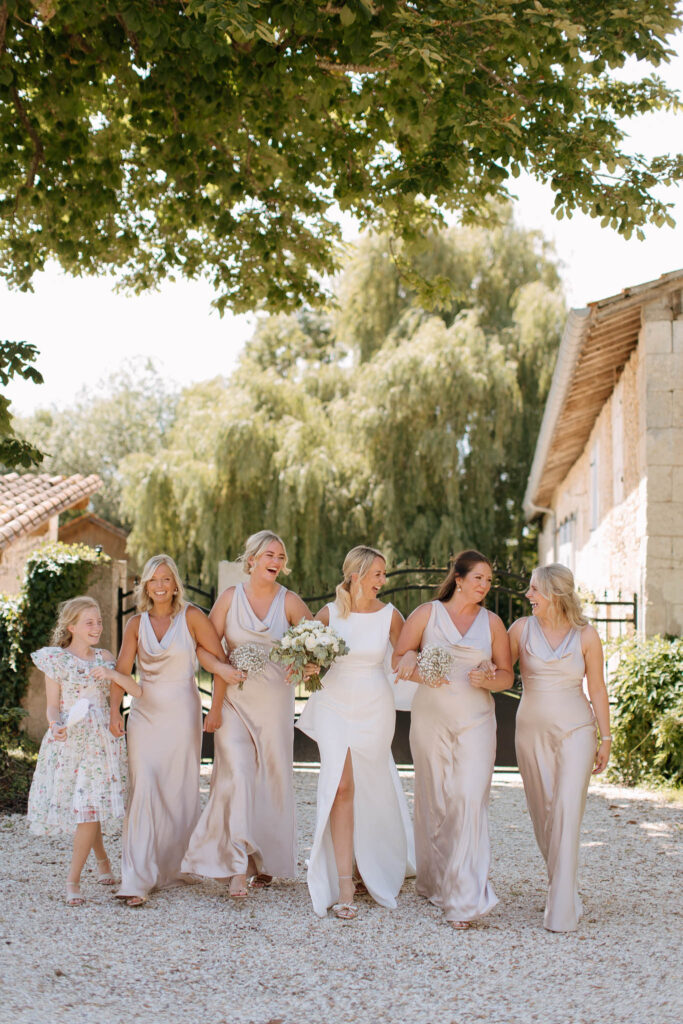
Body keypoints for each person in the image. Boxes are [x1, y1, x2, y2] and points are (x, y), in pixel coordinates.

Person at [181, 530, 313, 898]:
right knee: (237, 774)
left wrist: (306, 666)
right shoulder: (228, 599)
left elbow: (318, 646)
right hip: (234, 704)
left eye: (281, 557)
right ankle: (236, 864)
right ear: (252, 559)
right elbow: (205, 649)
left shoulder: (290, 602)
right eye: (270, 554)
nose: (276, 561)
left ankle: (265, 861)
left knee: (272, 778)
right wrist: (221, 671)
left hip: (274, 706)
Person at [394, 549, 513, 929]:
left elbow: (508, 676)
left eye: (489, 580)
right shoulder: (427, 614)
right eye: (478, 578)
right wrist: (417, 670)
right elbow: (400, 658)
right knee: (435, 797)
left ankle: (465, 894)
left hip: (477, 720)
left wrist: (488, 680)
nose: (485, 586)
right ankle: (436, 881)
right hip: (431, 718)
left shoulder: (492, 623)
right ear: (458, 579)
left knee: (469, 796)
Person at [296, 546, 416, 920]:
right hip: (334, 702)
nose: (383, 580)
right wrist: (307, 667)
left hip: (374, 704)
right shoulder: (329, 614)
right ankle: (345, 882)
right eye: (378, 573)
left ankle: (373, 861)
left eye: (384, 574)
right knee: (341, 786)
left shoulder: (391, 616)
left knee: (370, 785)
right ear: (356, 574)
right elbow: (309, 664)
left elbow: (405, 654)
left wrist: (410, 656)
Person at [108, 554, 225, 906]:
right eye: (153, 580)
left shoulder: (192, 617)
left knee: (178, 789)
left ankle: (174, 864)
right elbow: (122, 670)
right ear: (145, 585)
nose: (160, 586)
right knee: (143, 785)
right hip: (144, 715)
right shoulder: (135, 625)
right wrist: (115, 710)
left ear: (175, 585)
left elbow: (220, 663)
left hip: (182, 714)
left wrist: (215, 708)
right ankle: (137, 876)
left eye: (166, 579)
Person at [508, 563, 611, 932]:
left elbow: (597, 688)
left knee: (567, 809)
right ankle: (563, 886)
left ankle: (562, 908)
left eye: (534, 589)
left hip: (577, 731)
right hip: (530, 733)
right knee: (544, 814)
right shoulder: (520, 629)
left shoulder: (586, 635)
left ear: (554, 593)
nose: (528, 595)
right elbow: (499, 671)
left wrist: (606, 737)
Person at [27, 597, 140, 906]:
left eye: (99, 621)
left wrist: (113, 675)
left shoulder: (105, 657)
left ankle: (72, 880)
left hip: (102, 743)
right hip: (70, 744)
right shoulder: (56, 660)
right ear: (71, 626)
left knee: (91, 807)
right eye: (89, 622)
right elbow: (52, 706)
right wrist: (55, 724)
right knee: (87, 808)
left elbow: (136, 689)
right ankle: (101, 862)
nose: (97, 627)